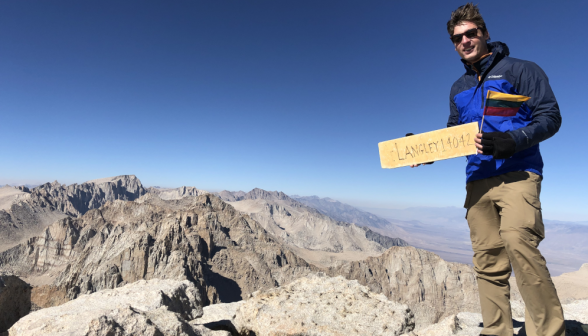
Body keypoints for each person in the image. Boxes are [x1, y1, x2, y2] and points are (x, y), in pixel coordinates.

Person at [444, 3, 564, 336]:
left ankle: (549, 331)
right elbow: (454, 134)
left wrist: (512, 140)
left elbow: (550, 118)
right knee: (487, 260)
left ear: (484, 33)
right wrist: (422, 150)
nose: (465, 41)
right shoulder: (458, 88)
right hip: (477, 181)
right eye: (458, 38)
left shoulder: (521, 70)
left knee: (518, 242)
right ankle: (496, 331)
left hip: (518, 174)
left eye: (471, 33)